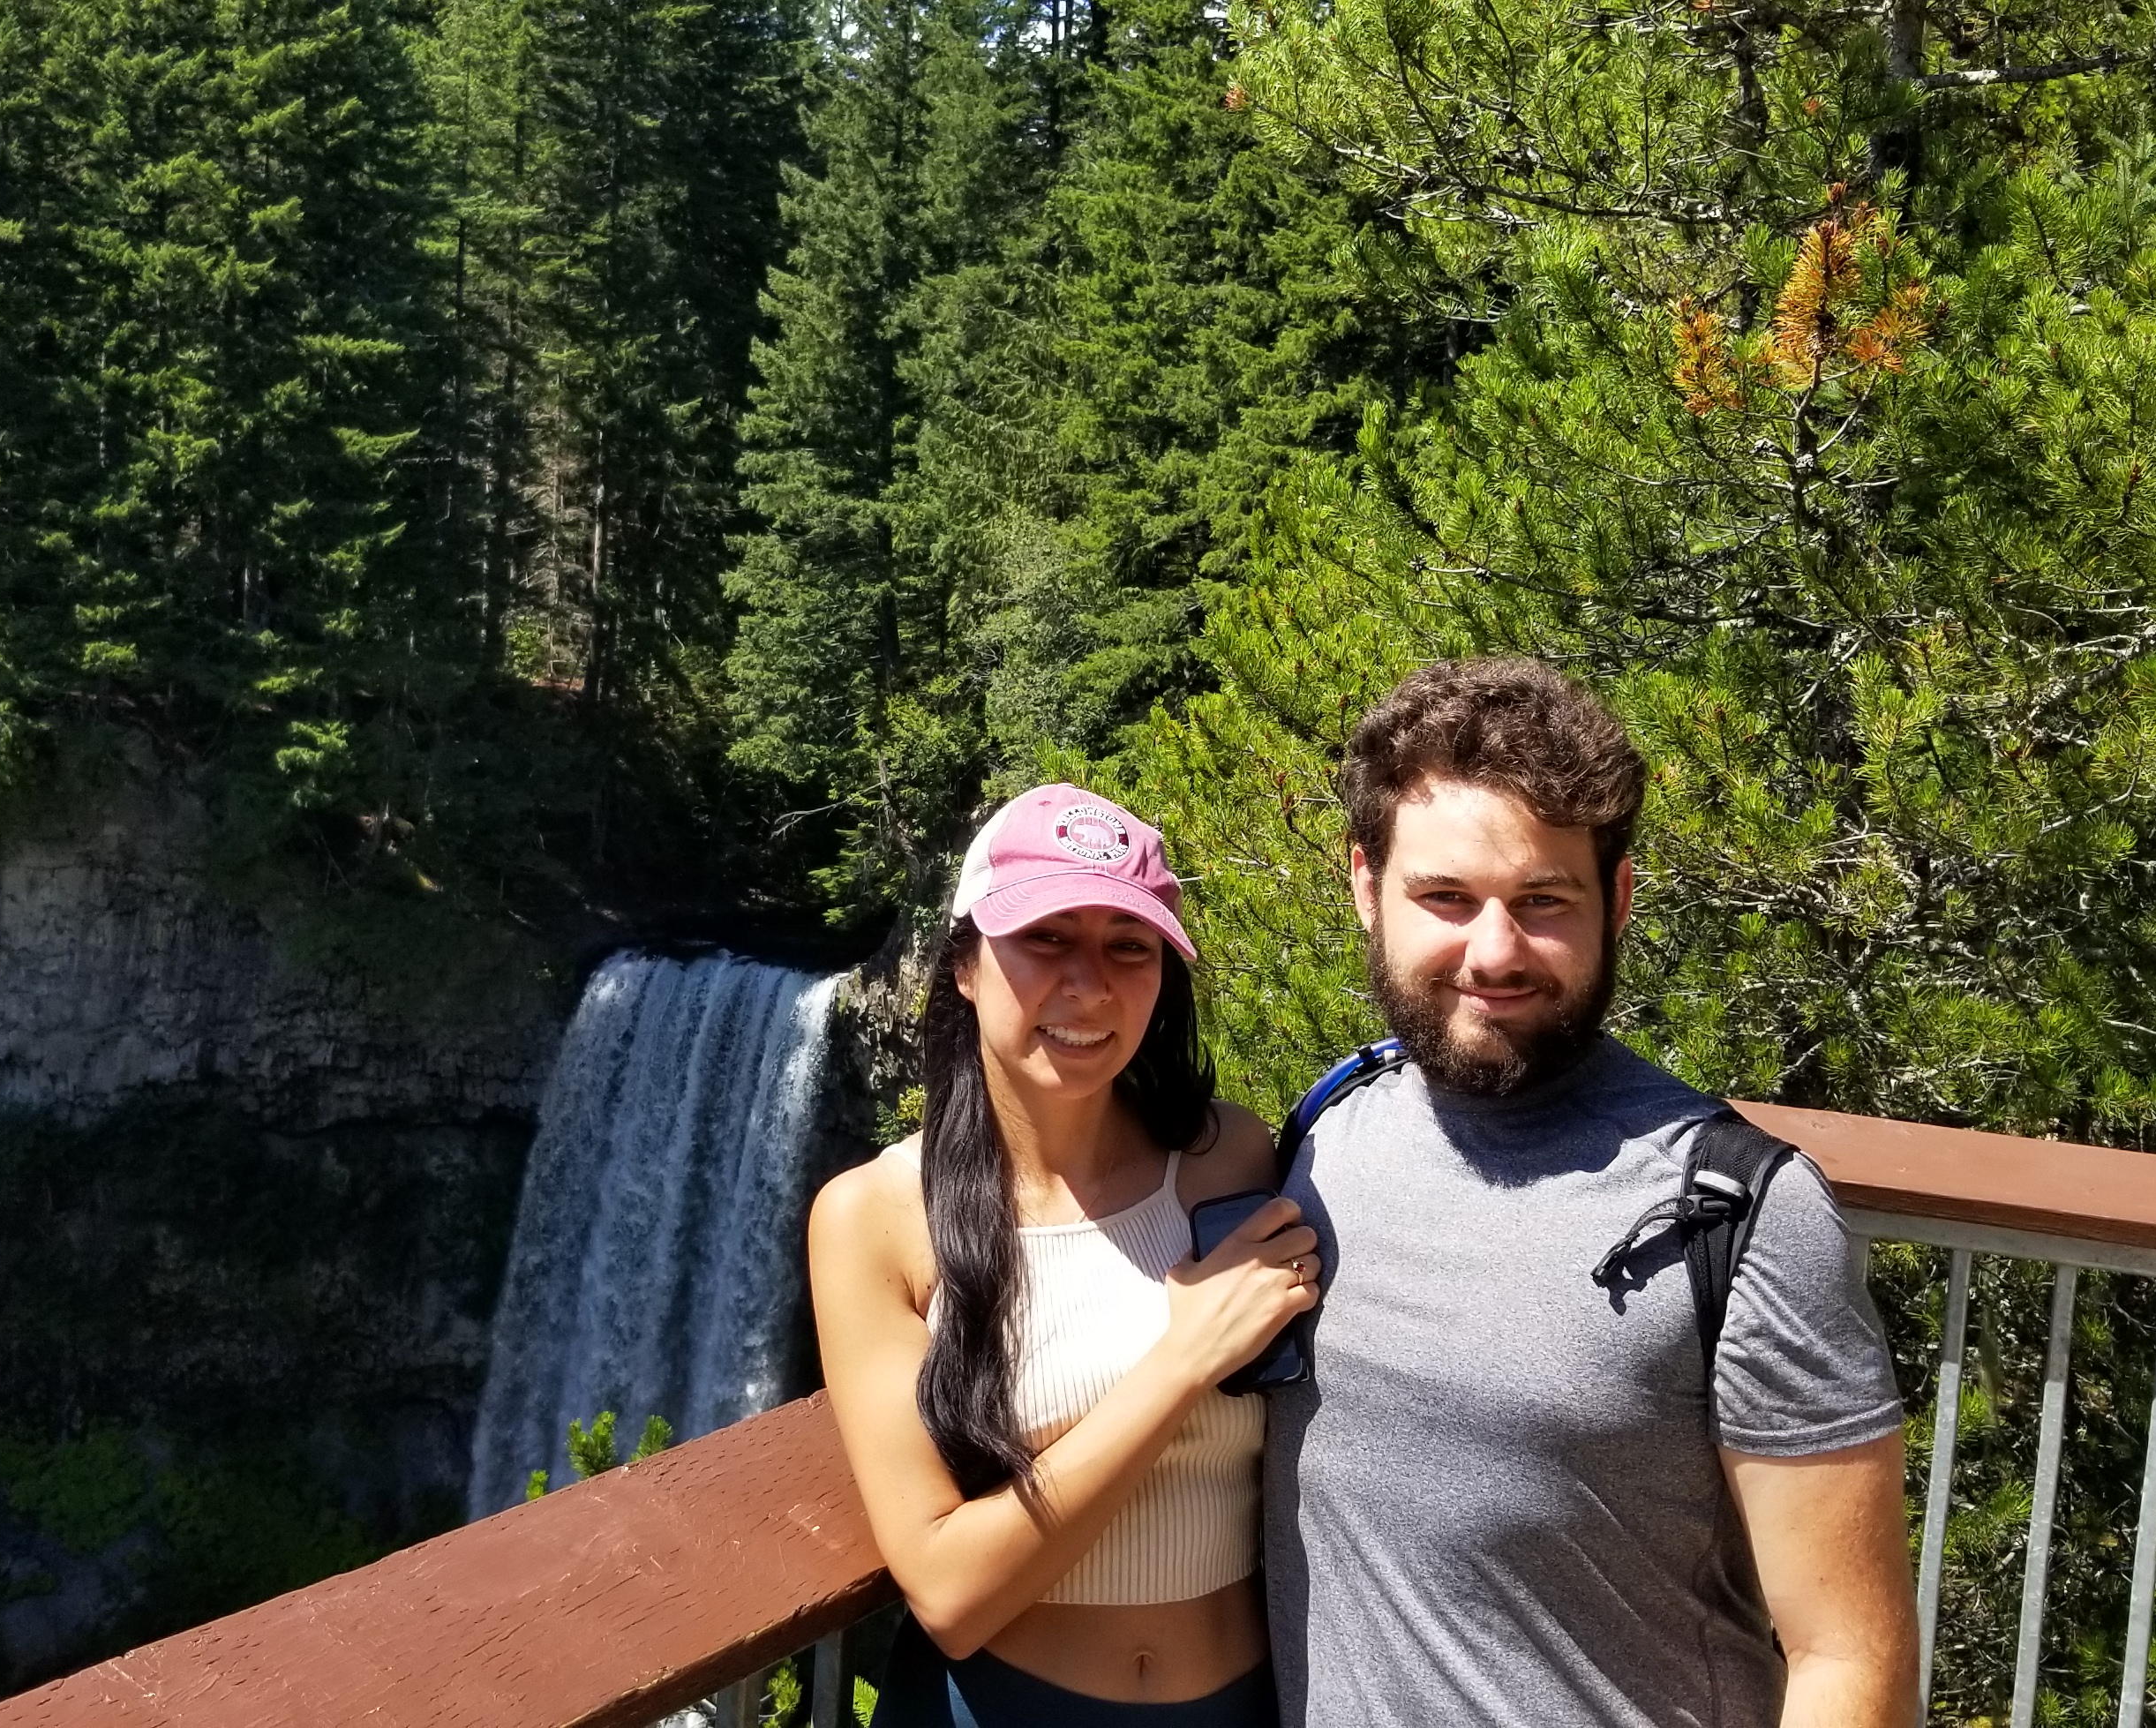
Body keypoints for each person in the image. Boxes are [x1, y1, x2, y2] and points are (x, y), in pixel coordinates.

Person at [1263, 659, 1918, 1728]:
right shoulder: (1325, 1136)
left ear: (1614, 900)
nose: (1494, 950)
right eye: (1445, 898)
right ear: (1362, 886)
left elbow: (1851, 1656)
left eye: (1542, 901)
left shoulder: (1739, 1210)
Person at [812, 784, 1317, 1726]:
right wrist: (1183, 1358)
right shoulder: (876, 1216)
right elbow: (951, 1596)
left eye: (1129, 947)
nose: (1088, 985)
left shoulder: (1233, 1160)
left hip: (1240, 1704)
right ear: (964, 963)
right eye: (1046, 937)